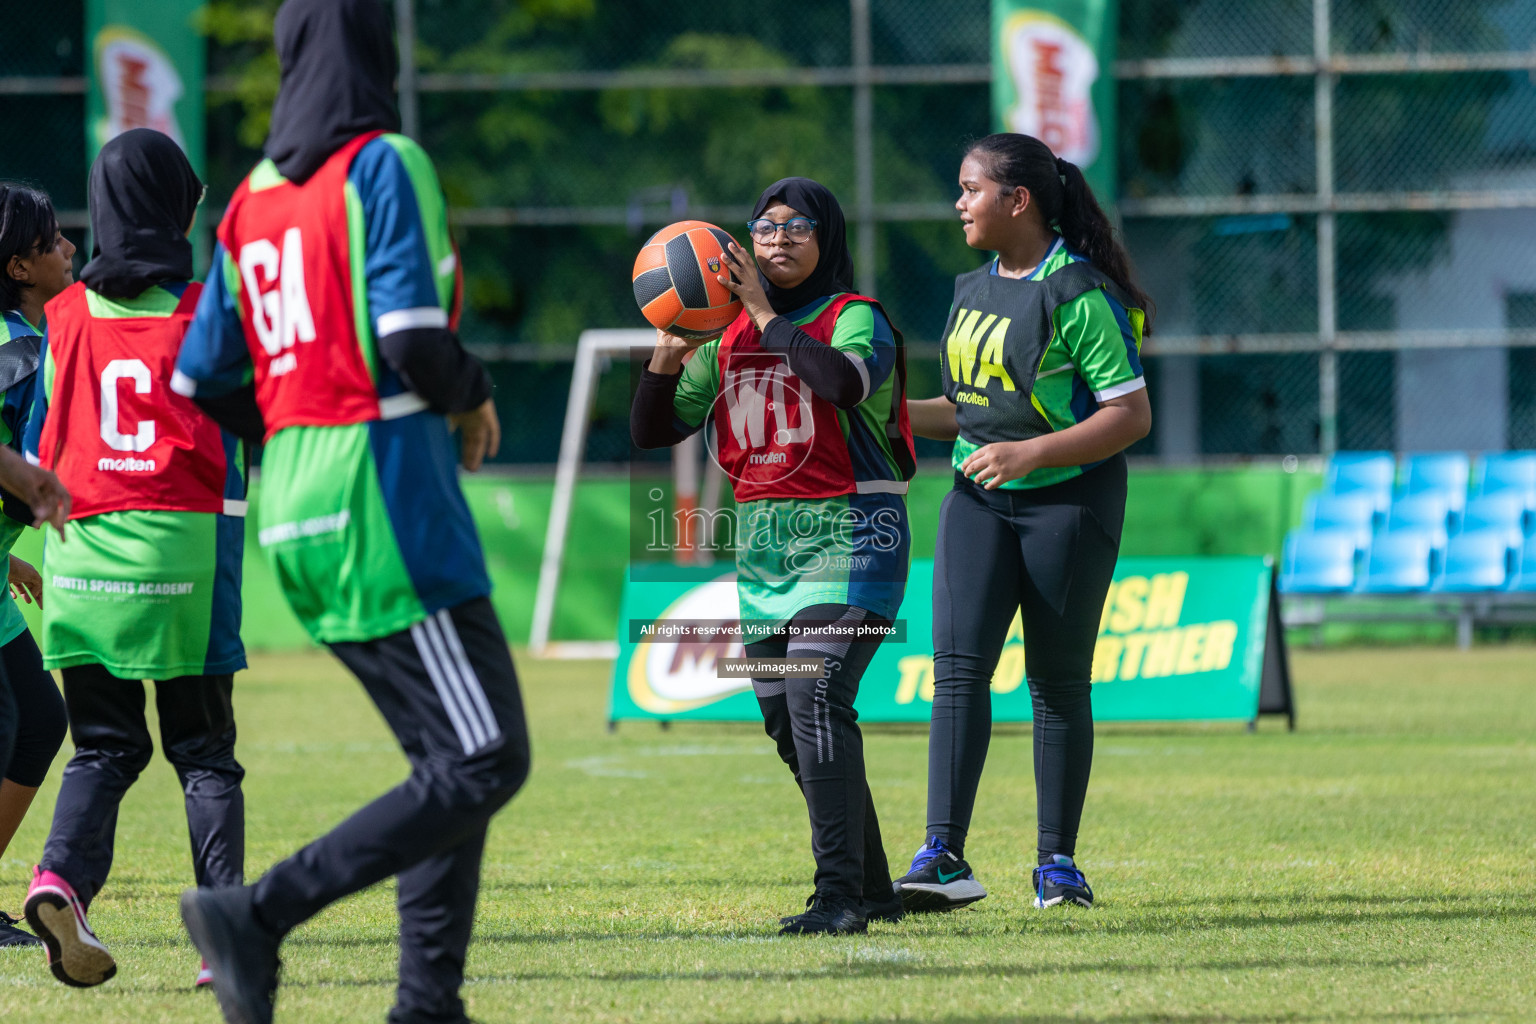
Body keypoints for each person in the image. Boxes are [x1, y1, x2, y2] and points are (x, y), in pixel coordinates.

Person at [171, 2, 529, 1021]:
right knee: (488, 755)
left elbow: (201, 378)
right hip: (387, 498)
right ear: (378, 50)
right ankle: (258, 911)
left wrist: (295, 424)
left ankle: (427, 1003)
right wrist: (474, 391)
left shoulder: (249, 200)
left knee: (447, 762)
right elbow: (414, 334)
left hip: (293, 500)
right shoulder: (382, 162)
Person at [631, 177, 916, 934]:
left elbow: (844, 384)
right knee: (791, 727)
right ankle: (877, 889)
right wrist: (666, 353)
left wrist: (762, 312)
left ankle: (839, 896)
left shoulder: (856, 317)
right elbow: (652, 431)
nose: (779, 238)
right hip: (764, 553)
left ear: (828, 240)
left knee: (816, 696)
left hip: (853, 537)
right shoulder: (721, 338)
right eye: (765, 226)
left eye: (799, 227)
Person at [892, 133, 1153, 913]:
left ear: (1019, 200)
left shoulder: (1077, 291)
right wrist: (885, 416)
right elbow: (966, 413)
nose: (959, 202)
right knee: (960, 671)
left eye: (972, 188)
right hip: (978, 499)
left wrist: (1031, 454)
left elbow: (1130, 414)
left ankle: (1057, 866)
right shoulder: (971, 287)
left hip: (1070, 502)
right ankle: (941, 855)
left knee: (1058, 683)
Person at [15, 130, 248, 990]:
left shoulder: (64, 318)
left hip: (81, 563)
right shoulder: (204, 311)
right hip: (180, 557)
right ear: (173, 210)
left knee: (103, 750)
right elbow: (247, 421)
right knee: (204, 755)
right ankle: (224, 940)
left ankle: (59, 883)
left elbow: (39, 445)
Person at [0, 183, 73, 948]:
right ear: (20, 264)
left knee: (40, 720)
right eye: (52, 242)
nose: (68, 249)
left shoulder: (24, 338)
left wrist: (14, 556)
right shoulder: (15, 349)